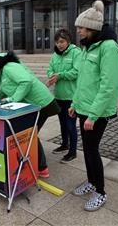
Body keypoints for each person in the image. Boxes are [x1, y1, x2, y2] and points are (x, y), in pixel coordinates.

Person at [69, 0, 118, 211]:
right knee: (87, 149)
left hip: (97, 112)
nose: (78, 31)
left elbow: (107, 87)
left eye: (81, 27)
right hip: (84, 108)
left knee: (92, 150)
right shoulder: (88, 47)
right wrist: (75, 104)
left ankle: (100, 191)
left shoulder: (109, 48)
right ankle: (91, 182)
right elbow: (83, 81)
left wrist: (92, 115)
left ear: (92, 28)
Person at [0, 51, 61, 178]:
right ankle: (35, 163)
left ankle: (42, 168)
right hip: (33, 106)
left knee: (29, 134)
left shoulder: (9, 67)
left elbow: (26, 81)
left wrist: (12, 99)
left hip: (43, 103)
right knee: (29, 133)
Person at [47, 28, 81, 163]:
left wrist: (60, 75)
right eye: (57, 42)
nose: (59, 45)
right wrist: (51, 75)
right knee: (62, 123)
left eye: (61, 41)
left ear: (68, 41)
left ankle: (72, 152)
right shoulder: (55, 55)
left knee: (70, 125)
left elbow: (76, 72)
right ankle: (64, 144)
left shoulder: (76, 53)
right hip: (59, 96)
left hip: (71, 97)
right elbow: (50, 69)